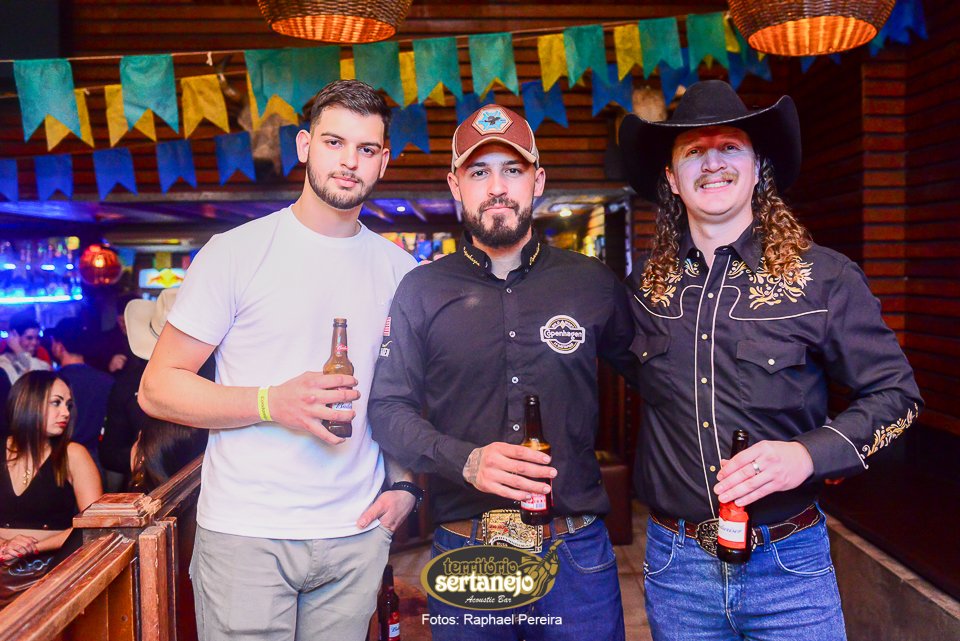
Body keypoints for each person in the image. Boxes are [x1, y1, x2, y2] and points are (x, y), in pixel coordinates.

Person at [617, 79, 923, 641]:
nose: (712, 163)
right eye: (693, 151)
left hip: (788, 567)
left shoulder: (824, 278)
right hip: (676, 568)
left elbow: (898, 398)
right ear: (672, 177)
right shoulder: (644, 292)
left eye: (730, 147)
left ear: (758, 167)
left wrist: (807, 454)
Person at [138, 80, 420, 641]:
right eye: (334, 142)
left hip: (356, 534)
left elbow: (400, 397)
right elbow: (157, 387)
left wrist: (406, 485)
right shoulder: (235, 253)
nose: (349, 161)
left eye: (366, 149)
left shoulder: (401, 271)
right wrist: (271, 403)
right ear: (304, 146)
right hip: (247, 534)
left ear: (383, 161)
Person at [369, 105, 637, 641]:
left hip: (575, 554)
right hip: (466, 555)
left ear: (538, 180)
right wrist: (465, 460)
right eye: (479, 172)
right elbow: (387, 408)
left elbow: (659, 379)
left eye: (512, 170)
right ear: (455, 185)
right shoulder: (421, 290)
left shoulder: (592, 283)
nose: (497, 187)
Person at [0, 371, 102, 608]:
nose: (65, 412)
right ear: (28, 402)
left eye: (68, 405)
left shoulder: (73, 455)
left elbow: (96, 526)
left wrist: (32, 547)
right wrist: (4, 546)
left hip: (50, 574)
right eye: (56, 403)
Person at [48, 317, 114, 465]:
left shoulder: (54, 382)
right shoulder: (107, 380)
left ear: (59, 347)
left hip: (61, 459)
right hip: (97, 459)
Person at [0, 310, 50, 385]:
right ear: (14, 336)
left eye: (37, 338)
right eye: (29, 338)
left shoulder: (41, 356)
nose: (35, 343)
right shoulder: (3, 363)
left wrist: (20, 353)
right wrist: (19, 353)